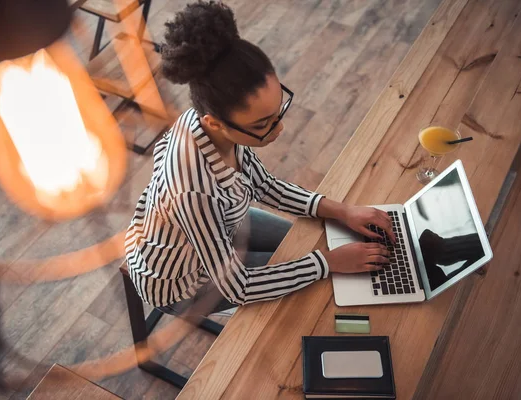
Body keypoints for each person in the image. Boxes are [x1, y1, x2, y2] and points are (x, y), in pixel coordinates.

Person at [125, 1, 395, 315]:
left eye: (277, 111)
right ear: (215, 122)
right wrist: (327, 263)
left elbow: (264, 185)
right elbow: (238, 287)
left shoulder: (208, 122)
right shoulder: (192, 192)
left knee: (320, 244)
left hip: (221, 222)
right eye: (262, 125)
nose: (279, 128)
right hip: (182, 284)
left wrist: (343, 210)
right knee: (317, 281)